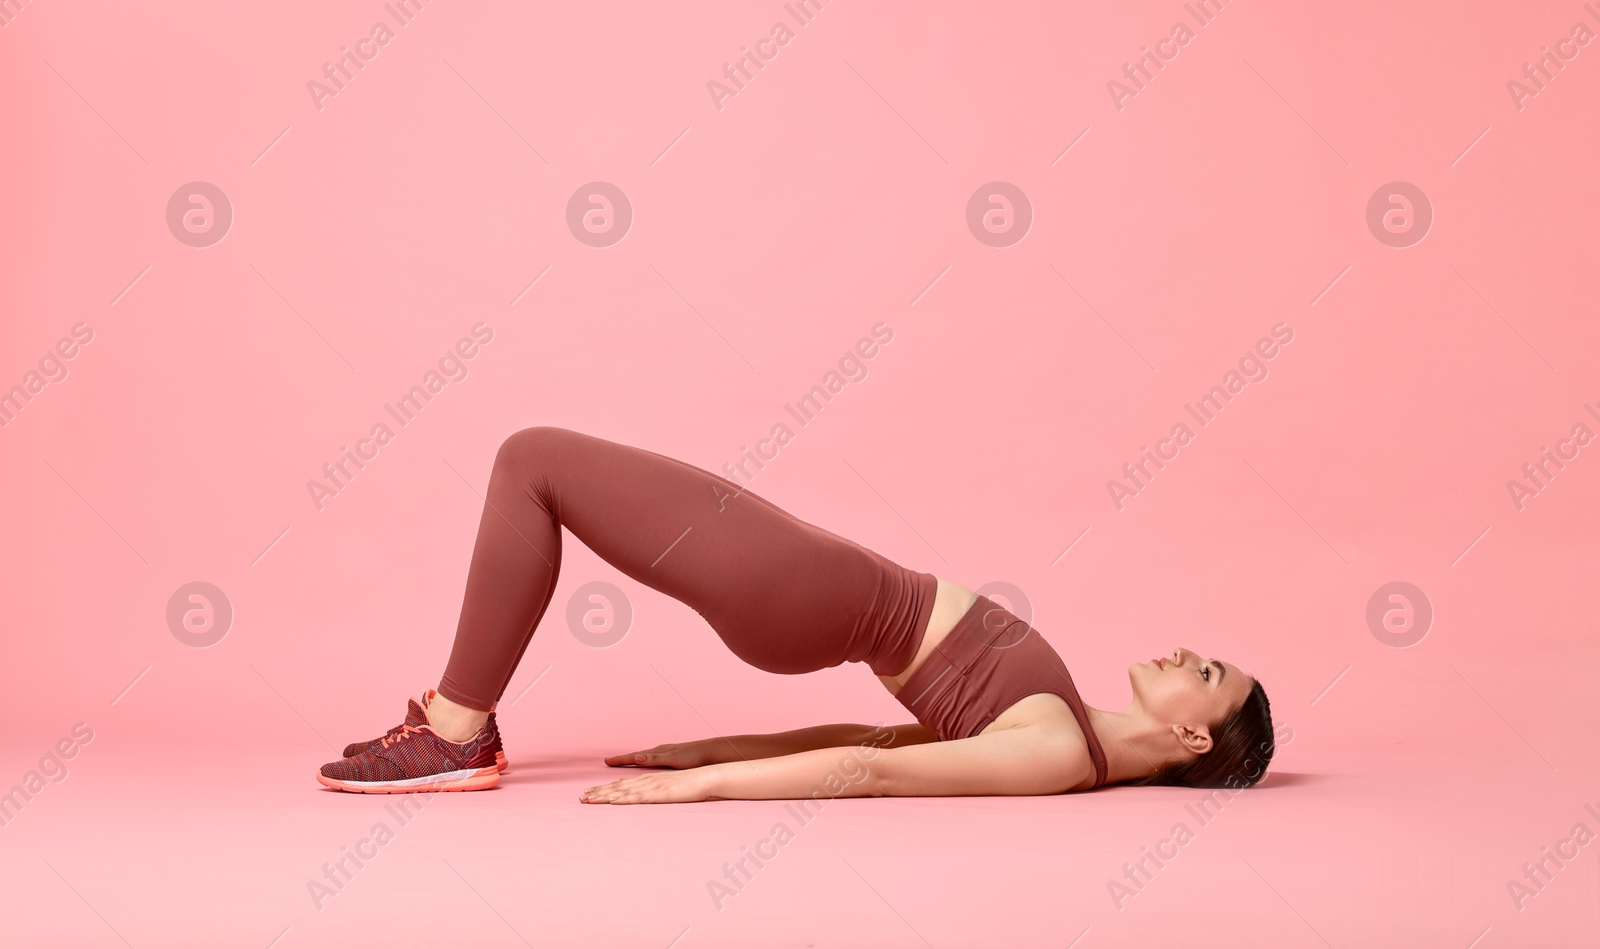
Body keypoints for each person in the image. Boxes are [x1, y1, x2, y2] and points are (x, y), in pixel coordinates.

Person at [317, 427, 1275, 801]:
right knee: (541, 467)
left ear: (1194, 734)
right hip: (819, 579)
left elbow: (868, 775)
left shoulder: (1061, 751)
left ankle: (454, 731)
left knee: (534, 462)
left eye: (1206, 673)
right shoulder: (1071, 730)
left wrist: (701, 795)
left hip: (812, 594)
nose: (1189, 654)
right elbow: (886, 738)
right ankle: (458, 725)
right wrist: (718, 748)